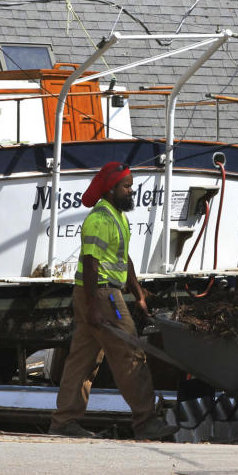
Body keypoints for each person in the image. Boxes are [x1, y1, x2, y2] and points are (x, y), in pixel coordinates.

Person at [49, 162, 178, 440]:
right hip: (102, 295)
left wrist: (139, 294)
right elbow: (91, 262)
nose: (131, 191)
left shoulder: (117, 217)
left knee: (82, 359)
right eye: (126, 187)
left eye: (131, 186)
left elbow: (124, 259)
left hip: (97, 294)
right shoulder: (100, 219)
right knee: (130, 354)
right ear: (110, 190)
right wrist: (95, 305)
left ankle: (63, 422)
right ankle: (146, 422)